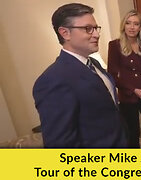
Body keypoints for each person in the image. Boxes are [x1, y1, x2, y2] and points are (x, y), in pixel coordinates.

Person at [33, 3, 127, 148]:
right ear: (65, 33)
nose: (96, 34)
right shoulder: (53, 80)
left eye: (96, 28)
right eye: (88, 29)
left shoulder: (94, 62)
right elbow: (61, 146)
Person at [108, 10, 141, 148]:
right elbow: (112, 74)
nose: (132, 27)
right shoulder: (115, 45)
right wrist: (132, 89)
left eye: (136, 24)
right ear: (124, 25)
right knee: (132, 132)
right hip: (128, 96)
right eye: (128, 23)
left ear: (140, 27)